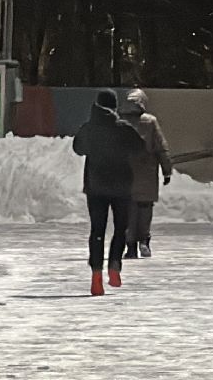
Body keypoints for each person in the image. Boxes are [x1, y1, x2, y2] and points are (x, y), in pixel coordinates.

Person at [71, 89, 143, 295]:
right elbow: (140, 148)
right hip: (121, 187)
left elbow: (78, 148)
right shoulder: (123, 128)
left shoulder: (88, 128)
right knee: (121, 228)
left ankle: (96, 276)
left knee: (97, 231)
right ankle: (114, 266)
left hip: (96, 187)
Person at [121, 88, 172, 259]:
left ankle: (130, 246)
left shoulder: (120, 121)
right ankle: (144, 241)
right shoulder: (150, 122)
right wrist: (167, 170)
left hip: (125, 174)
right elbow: (161, 147)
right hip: (147, 173)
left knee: (129, 210)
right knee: (145, 209)